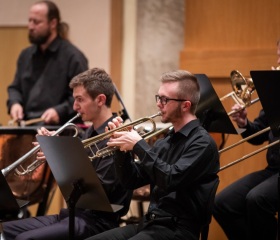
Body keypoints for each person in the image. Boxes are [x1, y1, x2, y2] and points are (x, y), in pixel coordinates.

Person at [86, 70, 220, 240]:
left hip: (178, 229)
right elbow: (131, 180)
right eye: (158, 97)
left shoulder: (203, 143)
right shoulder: (165, 142)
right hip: (150, 223)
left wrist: (138, 145)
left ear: (185, 105)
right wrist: (120, 148)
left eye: (165, 99)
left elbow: (170, 179)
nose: (159, 104)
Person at [2, 68, 132, 240]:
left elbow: (100, 191)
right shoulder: (87, 133)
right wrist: (55, 153)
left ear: (100, 100)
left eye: (80, 99)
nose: (74, 107)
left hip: (97, 221)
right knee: (5, 230)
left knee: (25, 239)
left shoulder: (118, 135)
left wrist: (61, 158)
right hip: (71, 215)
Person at [213, 40, 280, 240]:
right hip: (274, 169)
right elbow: (259, 135)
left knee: (256, 200)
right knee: (222, 203)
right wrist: (243, 123)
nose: (277, 62)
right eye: (278, 55)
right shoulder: (276, 91)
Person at [7, 0, 88, 126]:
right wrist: (15, 103)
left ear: (53, 23)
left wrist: (59, 111)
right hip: (27, 127)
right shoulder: (25, 55)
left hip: (60, 131)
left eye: (36, 22)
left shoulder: (73, 57)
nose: (31, 26)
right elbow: (15, 88)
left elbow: (83, 97)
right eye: (30, 21)